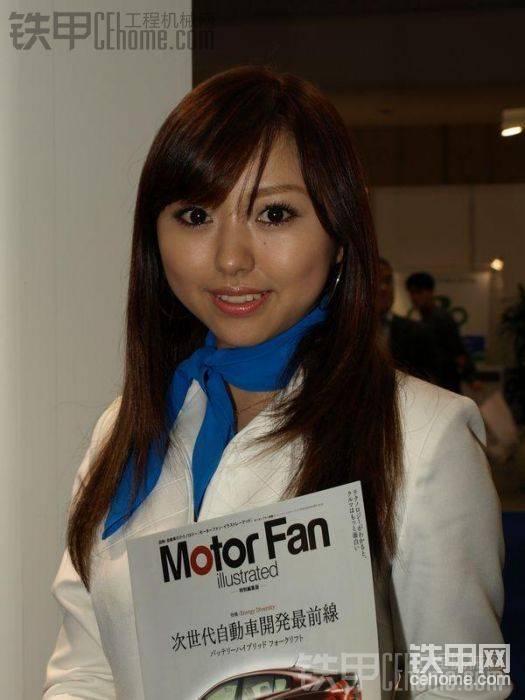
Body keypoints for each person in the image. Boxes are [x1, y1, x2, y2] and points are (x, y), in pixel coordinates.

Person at [43, 66, 509, 699]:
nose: (231, 257)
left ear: (340, 236)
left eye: (274, 213)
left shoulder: (426, 436)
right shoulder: (125, 431)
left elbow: (463, 684)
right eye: (196, 214)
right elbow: (87, 671)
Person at [405, 271, 479, 394]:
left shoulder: (441, 318)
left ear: (430, 292)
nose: (414, 297)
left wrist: (471, 377)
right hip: (434, 385)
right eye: (411, 293)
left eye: (419, 292)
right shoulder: (425, 319)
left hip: (446, 384)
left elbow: (458, 351)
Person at [378, 258, 439, 383]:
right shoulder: (346, 331)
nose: (383, 288)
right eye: (376, 281)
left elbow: (430, 381)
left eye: (387, 281)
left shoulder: (418, 331)